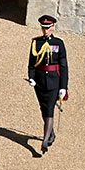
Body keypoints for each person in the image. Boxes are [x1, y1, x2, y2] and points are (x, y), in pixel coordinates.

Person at [28, 15, 68, 154]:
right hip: (40, 81)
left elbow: (63, 66)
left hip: (53, 81)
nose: (45, 31)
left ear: (53, 27)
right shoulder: (36, 42)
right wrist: (31, 77)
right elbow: (32, 63)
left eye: (48, 28)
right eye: (43, 28)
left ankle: (45, 141)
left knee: (50, 108)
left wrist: (63, 87)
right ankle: (51, 133)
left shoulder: (58, 43)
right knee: (43, 108)